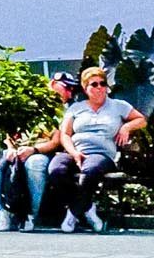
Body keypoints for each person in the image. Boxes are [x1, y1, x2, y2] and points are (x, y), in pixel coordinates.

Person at [43, 66, 148, 232]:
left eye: (102, 84)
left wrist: (126, 128)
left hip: (102, 154)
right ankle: (88, 208)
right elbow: (65, 135)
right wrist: (74, 153)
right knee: (56, 170)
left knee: (89, 171)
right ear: (86, 88)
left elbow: (141, 119)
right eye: (94, 84)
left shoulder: (118, 106)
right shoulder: (76, 108)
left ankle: (72, 215)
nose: (99, 88)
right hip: (75, 150)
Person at [0, 75, 77, 229]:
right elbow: (7, 133)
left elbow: (55, 141)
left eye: (72, 89)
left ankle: (31, 214)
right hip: (17, 148)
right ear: (52, 84)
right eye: (67, 88)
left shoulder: (65, 112)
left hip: (42, 151)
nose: (70, 93)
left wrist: (33, 149)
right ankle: (3, 211)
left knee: (35, 163)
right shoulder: (27, 104)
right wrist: (11, 148)